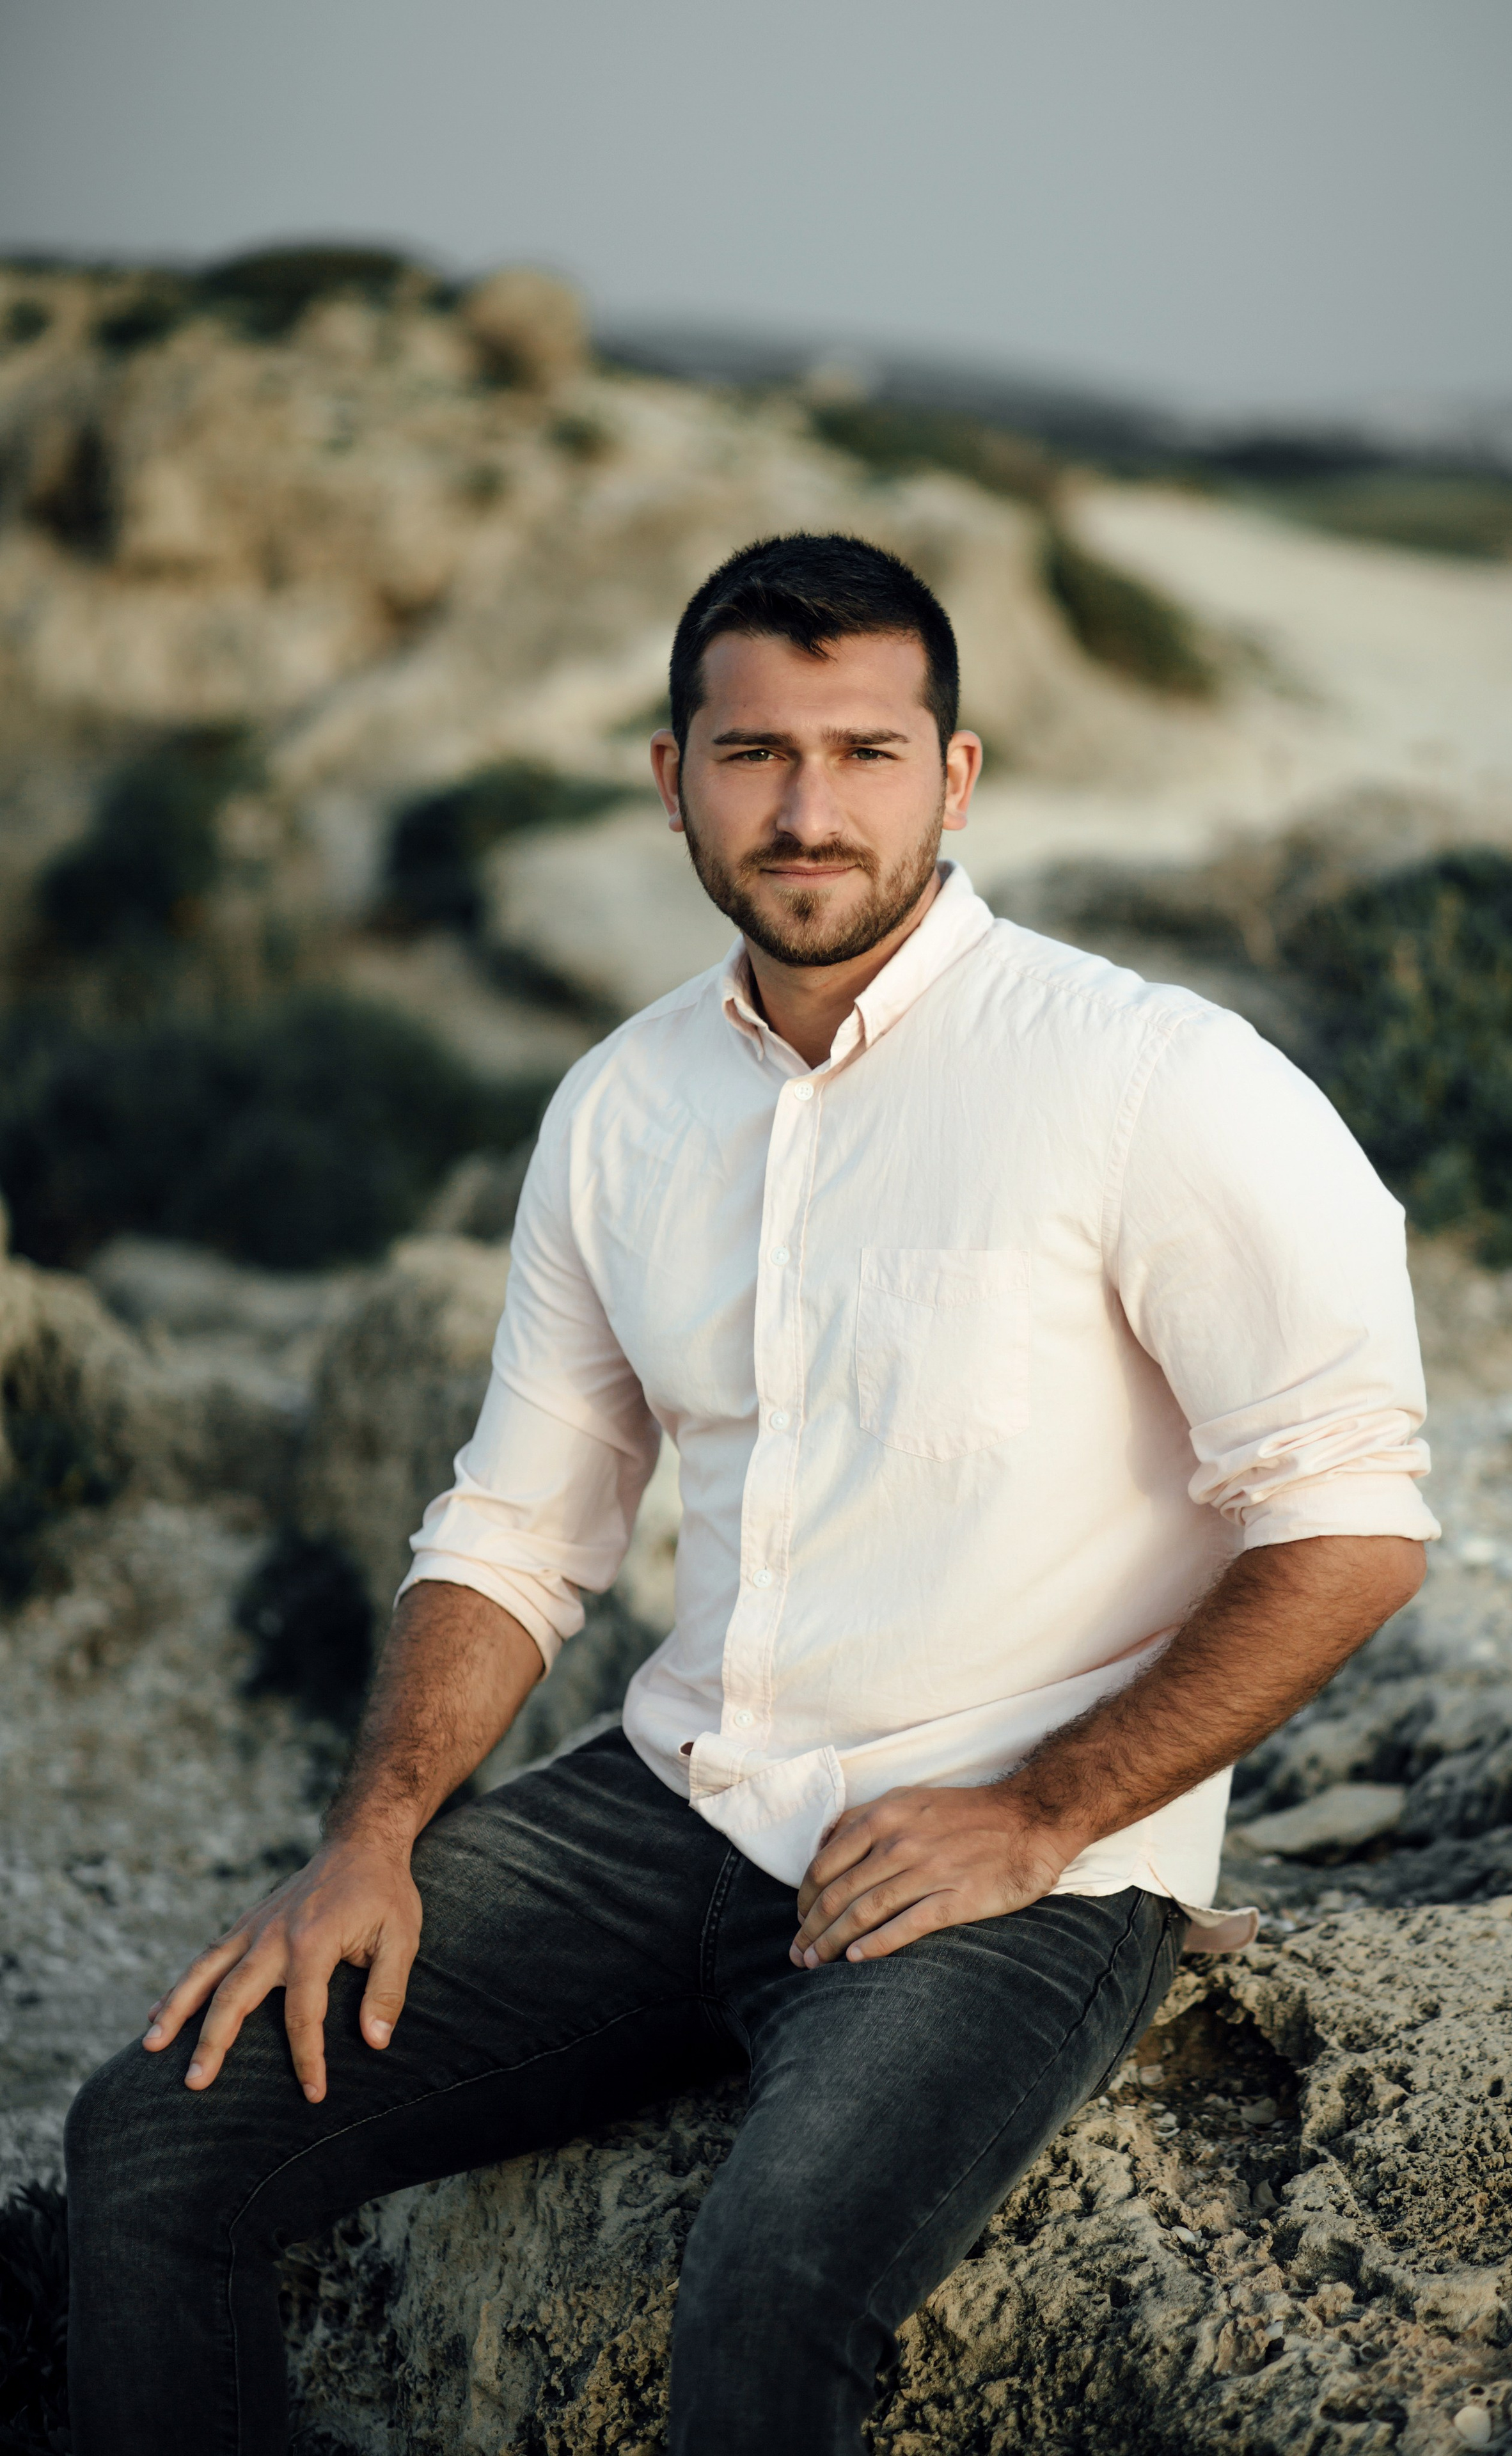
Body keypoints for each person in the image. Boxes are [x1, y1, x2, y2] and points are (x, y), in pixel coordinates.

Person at [67, 532, 1437, 2454]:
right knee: (153, 2140)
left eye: (868, 752)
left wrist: (1043, 1811)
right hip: (674, 1805)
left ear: (957, 777)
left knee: (772, 2286)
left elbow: (1353, 1520)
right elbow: (516, 1530)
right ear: (673, 779)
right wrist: (371, 1835)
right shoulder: (622, 1107)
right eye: (755, 754)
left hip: (1004, 1858)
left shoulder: (1153, 1080)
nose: (810, 811)